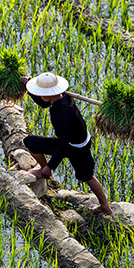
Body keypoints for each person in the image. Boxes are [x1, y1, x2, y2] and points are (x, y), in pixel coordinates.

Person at [22, 72, 113, 215]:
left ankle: (105, 206)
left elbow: (64, 145)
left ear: (49, 94)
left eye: (41, 92)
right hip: (74, 141)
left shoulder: (62, 113)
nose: (40, 95)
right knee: (31, 142)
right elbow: (44, 103)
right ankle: (43, 169)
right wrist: (29, 87)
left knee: (87, 176)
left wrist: (51, 166)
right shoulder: (62, 97)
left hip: (76, 147)